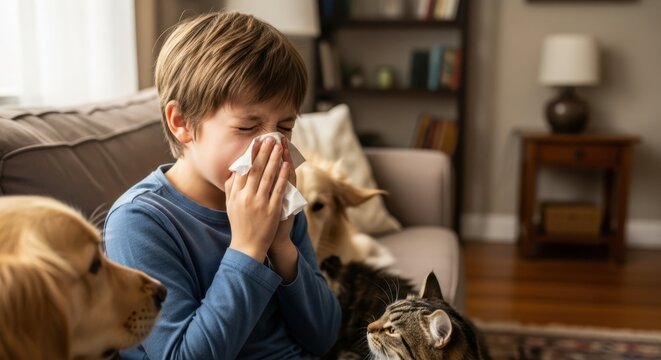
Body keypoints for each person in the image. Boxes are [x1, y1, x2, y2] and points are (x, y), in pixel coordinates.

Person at [103, 11, 341, 359]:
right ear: (182, 122)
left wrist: (281, 245)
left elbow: (324, 336)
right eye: (247, 127)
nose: (272, 145)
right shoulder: (140, 223)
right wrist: (248, 246)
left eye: (285, 127)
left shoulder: (279, 203)